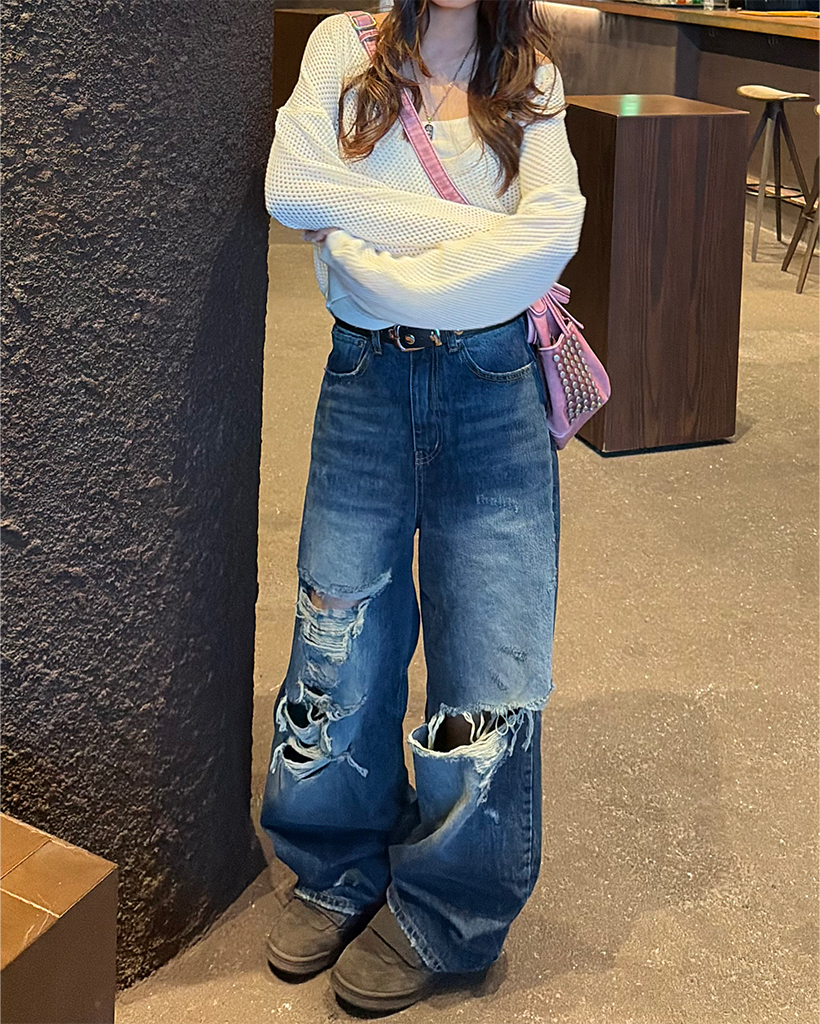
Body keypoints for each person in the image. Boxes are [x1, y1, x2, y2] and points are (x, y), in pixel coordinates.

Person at [260, 0, 585, 1013]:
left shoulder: (528, 76)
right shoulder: (343, 49)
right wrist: (484, 242)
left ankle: (450, 909)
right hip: (366, 378)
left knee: (487, 652)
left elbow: (556, 234)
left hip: (493, 388)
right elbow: (290, 188)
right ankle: (335, 866)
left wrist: (366, 240)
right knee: (339, 631)